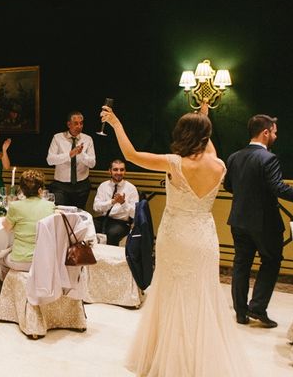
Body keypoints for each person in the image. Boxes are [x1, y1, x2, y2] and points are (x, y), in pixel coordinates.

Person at [100, 106, 250, 376]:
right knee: (202, 294)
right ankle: (199, 360)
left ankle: (170, 359)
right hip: (204, 238)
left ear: (184, 134)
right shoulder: (219, 165)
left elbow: (131, 155)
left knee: (172, 292)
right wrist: (204, 115)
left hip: (176, 237)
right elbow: (209, 147)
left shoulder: (174, 162)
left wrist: (115, 123)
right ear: (206, 135)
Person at [224, 114, 293, 328]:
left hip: (238, 220)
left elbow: (228, 185)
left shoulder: (234, 157)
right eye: (273, 132)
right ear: (265, 132)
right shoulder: (268, 158)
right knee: (271, 261)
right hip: (264, 223)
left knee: (241, 264)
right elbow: (278, 188)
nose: (275, 136)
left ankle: (240, 312)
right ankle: (257, 307)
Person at [1, 170, 54, 271]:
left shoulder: (15, 206)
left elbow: (7, 227)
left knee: (0, 257)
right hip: (43, 260)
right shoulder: (50, 206)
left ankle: (6, 285)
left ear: (22, 190)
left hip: (20, 260)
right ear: (40, 190)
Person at [46, 111, 95, 209]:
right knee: (60, 214)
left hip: (81, 185)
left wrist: (81, 154)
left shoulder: (87, 139)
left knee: (78, 215)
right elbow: (50, 160)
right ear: (69, 124)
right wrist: (69, 154)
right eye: (76, 123)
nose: (79, 126)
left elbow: (92, 163)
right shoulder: (57, 138)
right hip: (61, 186)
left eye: (81, 123)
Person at [92, 159, 139, 246]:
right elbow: (96, 207)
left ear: (125, 171)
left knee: (113, 233)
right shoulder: (103, 186)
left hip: (120, 222)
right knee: (88, 227)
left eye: (121, 170)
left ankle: (110, 258)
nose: (119, 172)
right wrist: (112, 202)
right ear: (109, 171)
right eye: (115, 169)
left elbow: (135, 214)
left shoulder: (131, 188)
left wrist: (123, 203)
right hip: (103, 218)